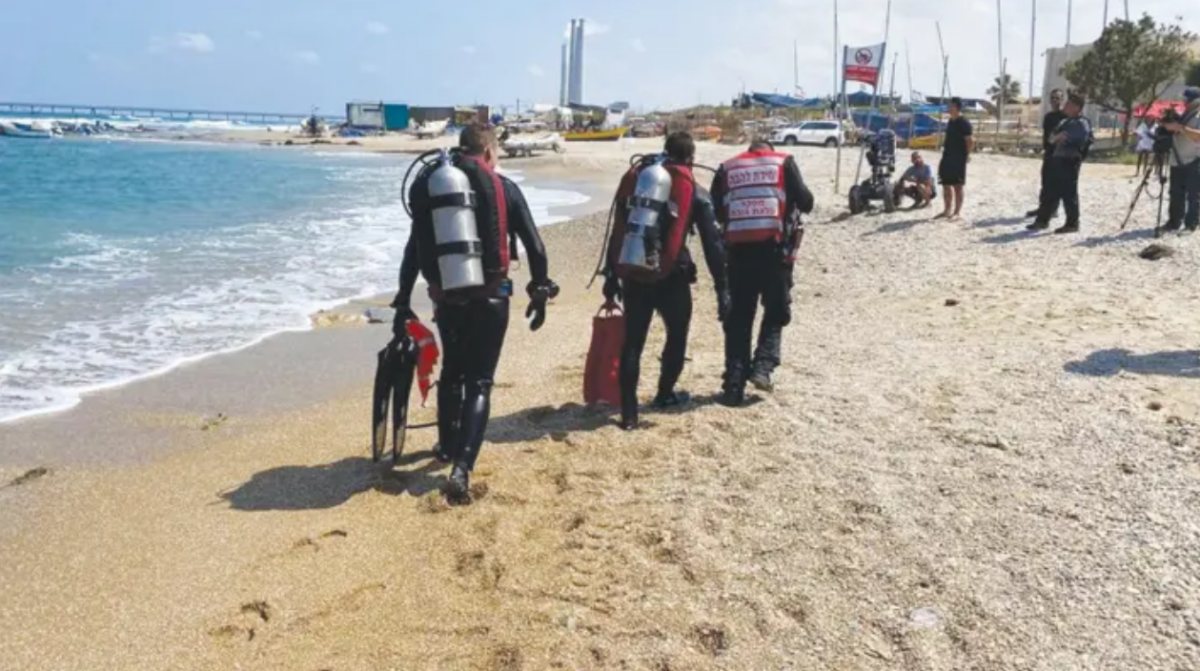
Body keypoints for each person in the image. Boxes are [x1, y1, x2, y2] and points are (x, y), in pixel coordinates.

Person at [392, 124, 558, 502]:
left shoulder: (434, 187)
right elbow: (536, 246)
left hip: (448, 299)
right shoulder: (505, 189)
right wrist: (540, 290)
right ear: (488, 152)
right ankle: (461, 469)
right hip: (492, 297)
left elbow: (413, 251)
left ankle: (447, 446)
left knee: (453, 372)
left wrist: (403, 300)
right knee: (480, 382)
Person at [602, 131, 727, 430]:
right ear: (691, 158)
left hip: (634, 272)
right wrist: (723, 288)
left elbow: (619, 229)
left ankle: (629, 415)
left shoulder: (641, 179)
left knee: (633, 343)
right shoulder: (692, 190)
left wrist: (610, 274)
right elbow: (713, 245)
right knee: (677, 334)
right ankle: (663, 393)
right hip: (672, 275)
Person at [710, 141, 814, 406]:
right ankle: (763, 367)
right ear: (768, 150)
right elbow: (806, 201)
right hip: (774, 253)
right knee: (777, 311)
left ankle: (733, 385)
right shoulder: (783, 162)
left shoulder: (728, 167)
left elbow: (717, 209)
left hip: (738, 255)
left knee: (739, 320)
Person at [1028, 91, 1093, 234]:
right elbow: (1051, 138)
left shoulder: (1082, 123)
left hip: (1070, 161)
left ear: (1076, 107)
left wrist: (1060, 137)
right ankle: (1042, 220)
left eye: (1069, 104)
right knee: (1049, 191)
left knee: (1069, 194)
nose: (1066, 106)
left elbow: (1076, 139)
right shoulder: (1065, 121)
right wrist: (1058, 137)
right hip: (1057, 159)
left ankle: (1072, 223)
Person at [1161, 87, 1200, 233]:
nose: (1184, 101)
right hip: (1176, 159)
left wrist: (1181, 128)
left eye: (1187, 99)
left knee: (1193, 195)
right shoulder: (1184, 114)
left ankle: (1191, 224)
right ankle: (1174, 221)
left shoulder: (1197, 115)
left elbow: (1198, 136)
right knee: (1175, 193)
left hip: (1194, 159)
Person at [1026, 89, 1067, 218]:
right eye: (1053, 98)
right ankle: (1043, 207)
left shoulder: (1065, 117)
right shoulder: (1048, 116)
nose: (1055, 101)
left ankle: (1053, 209)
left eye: (1058, 98)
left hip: (1060, 154)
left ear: (1062, 100)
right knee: (1045, 181)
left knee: (1056, 182)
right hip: (1048, 152)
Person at [935, 97, 974, 221]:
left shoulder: (964, 122)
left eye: (950, 105)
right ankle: (947, 210)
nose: (948, 108)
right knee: (946, 184)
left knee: (958, 186)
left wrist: (967, 155)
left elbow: (970, 141)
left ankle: (957, 212)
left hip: (958, 158)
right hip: (947, 156)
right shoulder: (950, 121)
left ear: (956, 107)